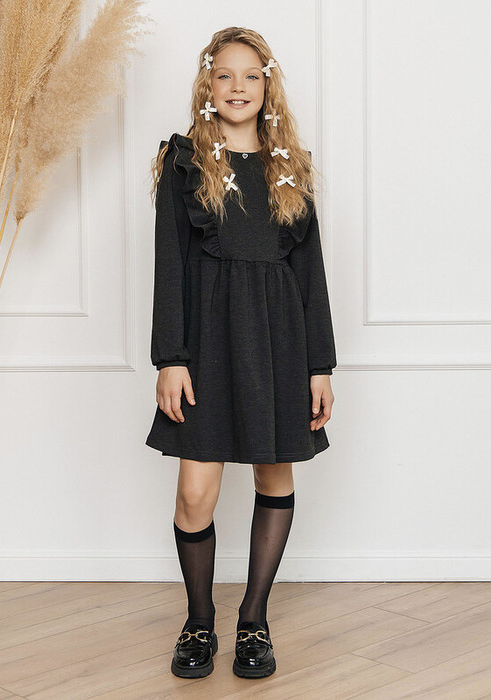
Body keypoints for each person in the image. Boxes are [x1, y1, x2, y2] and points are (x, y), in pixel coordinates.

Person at [145, 26, 336, 680]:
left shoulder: (291, 166)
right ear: (208, 85)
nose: (237, 87)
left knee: (273, 477)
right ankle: (199, 622)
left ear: (266, 85)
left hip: (279, 341)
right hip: (205, 344)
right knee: (194, 494)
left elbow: (310, 274)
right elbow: (170, 264)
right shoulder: (184, 163)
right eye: (224, 75)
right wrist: (170, 357)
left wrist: (319, 366)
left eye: (250, 75)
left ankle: (253, 619)